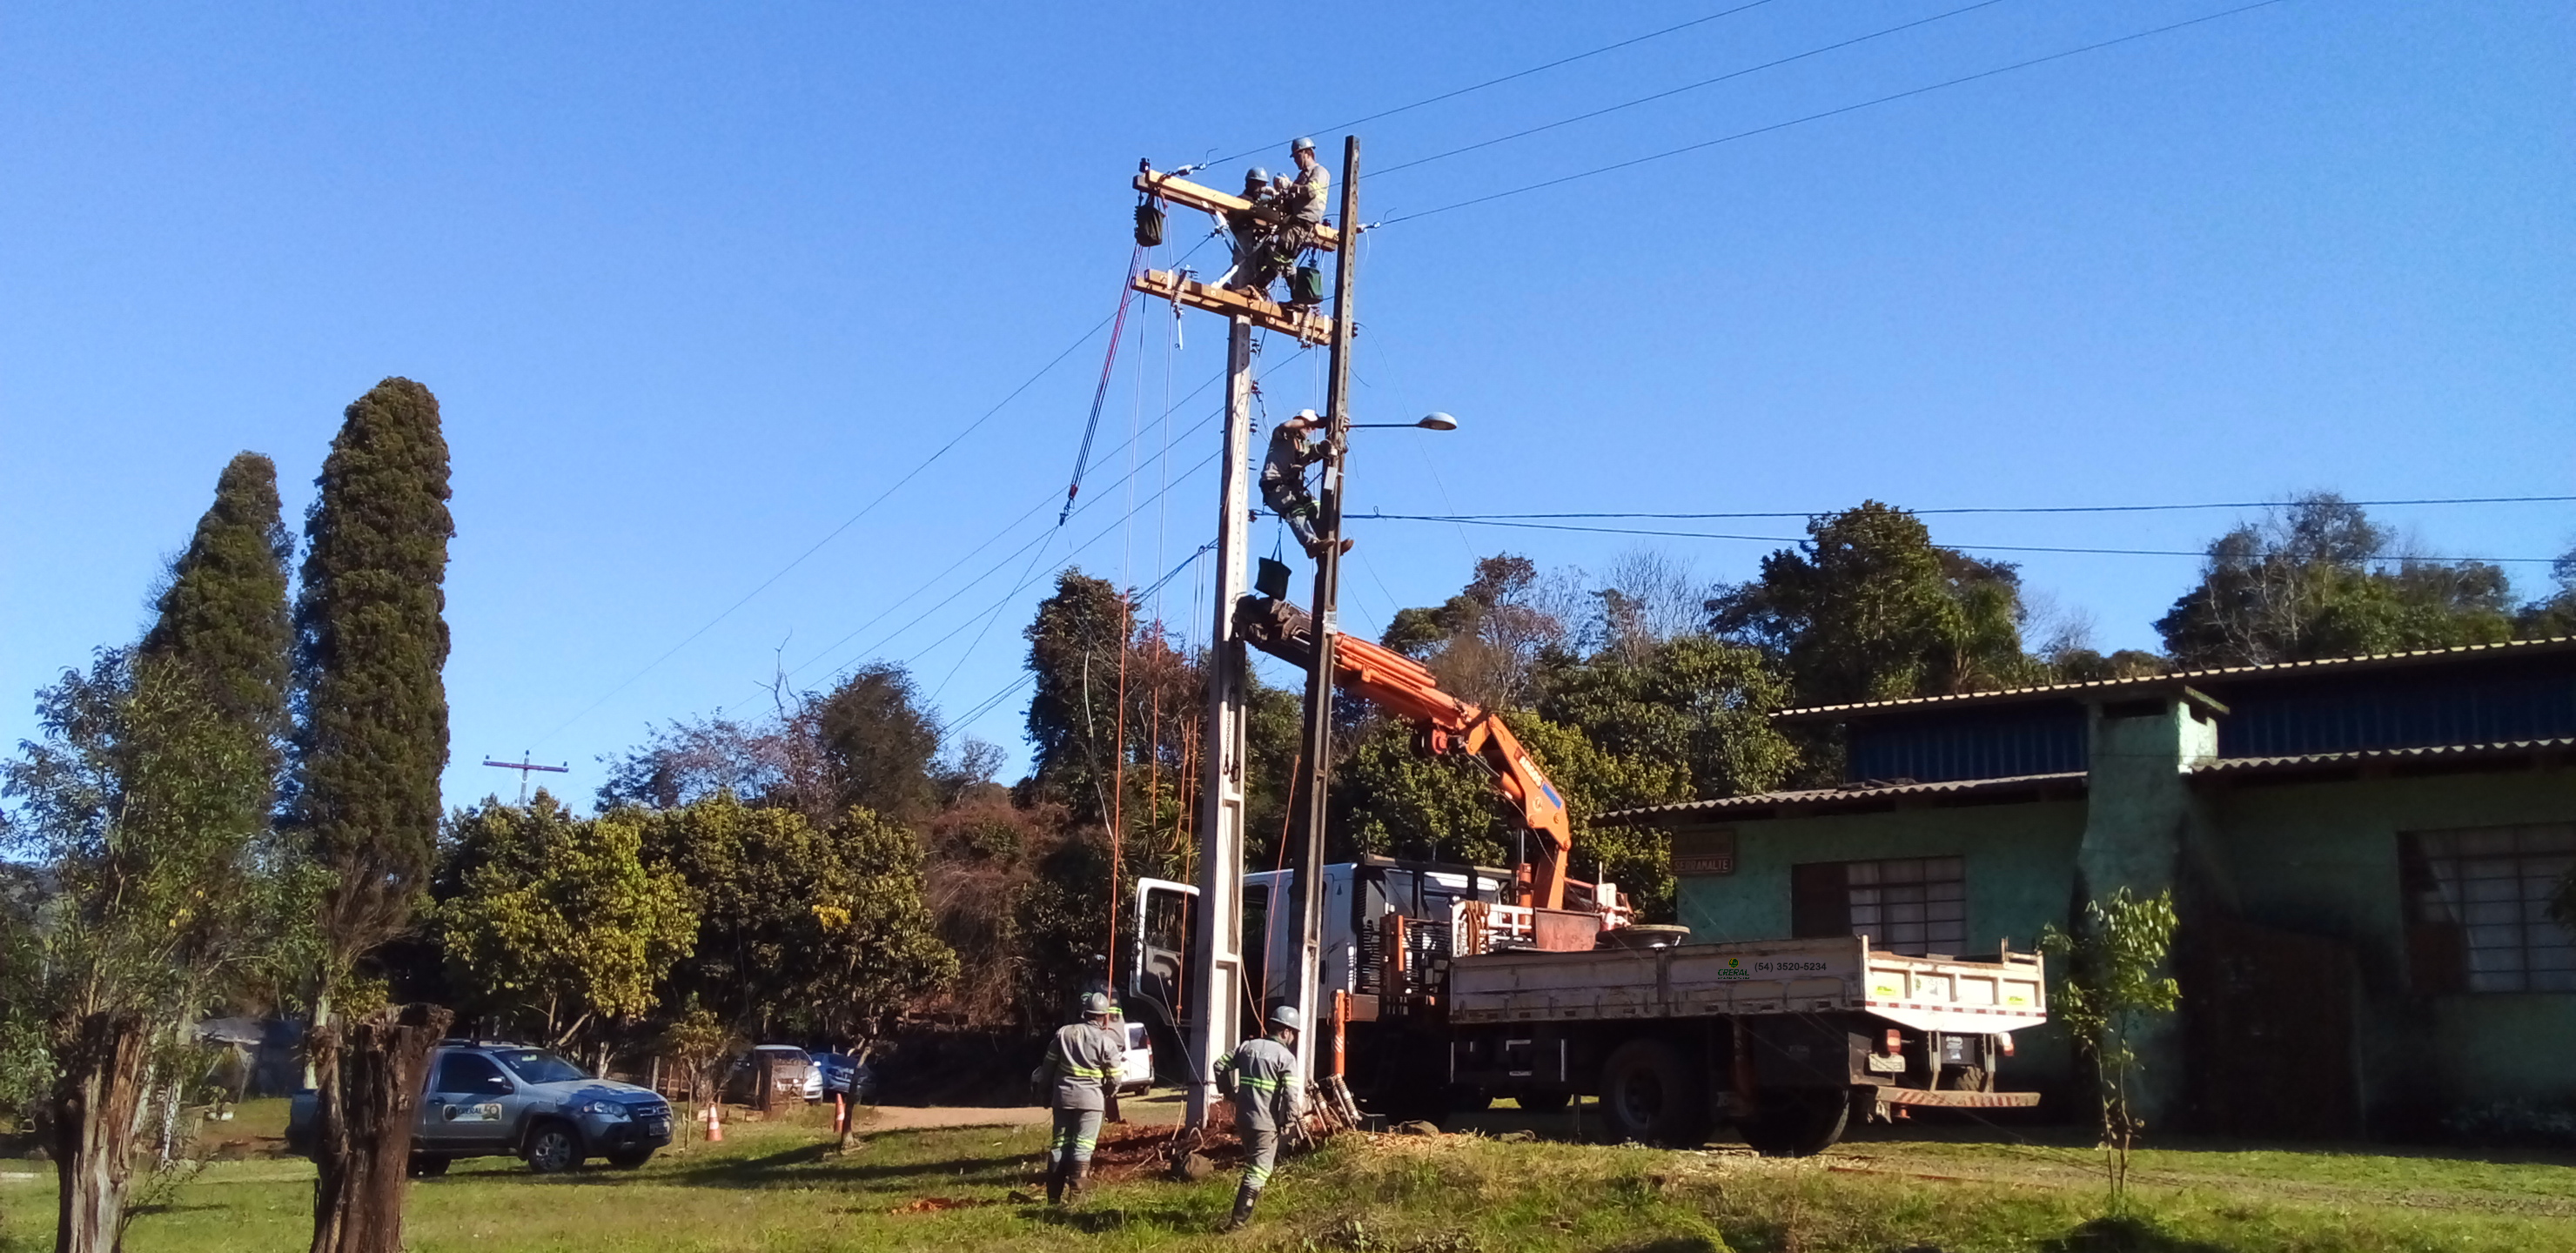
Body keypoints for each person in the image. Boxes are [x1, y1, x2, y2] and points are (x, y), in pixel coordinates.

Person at [1215, 1004, 1305, 1232]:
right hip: (1266, 1123)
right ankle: (1237, 1224)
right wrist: (1288, 1120)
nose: (1292, 1037)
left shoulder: (1247, 1047)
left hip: (1243, 1119)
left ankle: (1243, 1215)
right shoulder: (1285, 1058)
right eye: (1292, 1033)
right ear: (1285, 1032)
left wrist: (1228, 1093)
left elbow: (1220, 1065)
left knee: (1255, 1164)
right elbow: (1290, 1095)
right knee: (1259, 1171)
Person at [1035, 992, 1124, 1204]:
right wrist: (1108, 1093)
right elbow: (1115, 1078)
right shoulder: (1106, 1042)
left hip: (1063, 1098)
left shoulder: (1064, 1033)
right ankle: (1076, 1197)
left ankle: (1053, 1198)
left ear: (1084, 1012)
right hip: (1091, 1101)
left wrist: (1045, 1093)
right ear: (1103, 1017)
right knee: (1082, 1146)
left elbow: (1047, 1068)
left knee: (1059, 1144)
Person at [1259, 410, 1352, 559]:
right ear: (1300, 421)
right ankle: (1311, 545)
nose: (1310, 430)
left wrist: (1340, 431)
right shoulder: (1282, 437)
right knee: (1294, 509)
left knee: (1317, 507)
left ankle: (1332, 546)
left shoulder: (1305, 447)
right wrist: (1317, 422)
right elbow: (1287, 425)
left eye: (1312, 428)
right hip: (1275, 488)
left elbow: (1323, 448)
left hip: (1295, 490)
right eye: (1308, 426)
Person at [1225, 167, 1284, 298]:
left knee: (1272, 261)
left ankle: (1256, 290)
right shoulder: (1241, 200)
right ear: (1249, 183)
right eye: (1258, 185)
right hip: (1245, 241)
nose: (1261, 189)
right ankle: (1242, 288)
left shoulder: (1264, 203)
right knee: (1243, 267)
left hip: (1260, 245)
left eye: (1263, 185)